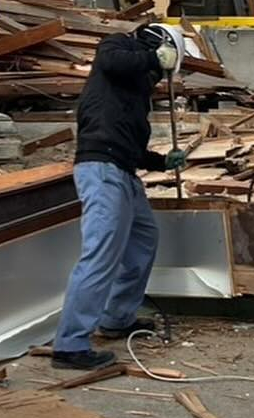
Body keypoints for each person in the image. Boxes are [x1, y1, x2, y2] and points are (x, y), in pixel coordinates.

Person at [51, 24, 187, 370]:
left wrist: (159, 161)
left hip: (123, 170)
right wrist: (152, 57)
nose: (155, 77)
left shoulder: (132, 90)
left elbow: (131, 144)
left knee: (143, 241)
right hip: (101, 168)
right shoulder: (116, 47)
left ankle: (117, 318)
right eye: (159, 70)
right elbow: (113, 61)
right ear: (157, 46)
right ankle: (69, 346)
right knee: (101, 253)